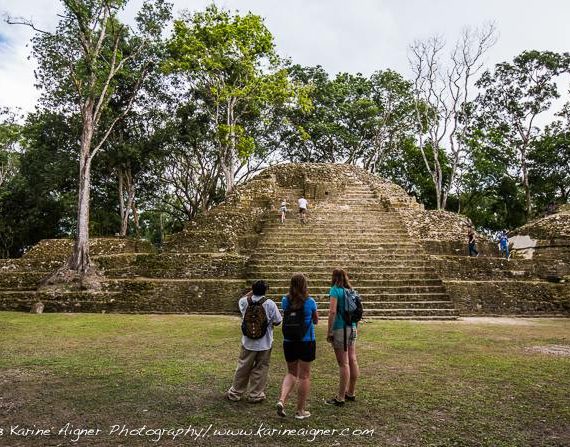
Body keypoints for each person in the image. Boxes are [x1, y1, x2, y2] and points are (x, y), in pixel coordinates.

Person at [226, 280, 282, 403]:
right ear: (265, 291)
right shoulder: (270, 304)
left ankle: (235, 392)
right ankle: (255, 394)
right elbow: (278, 321)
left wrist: (252, 291)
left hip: (248, 342)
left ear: (252, 290)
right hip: (265, 342)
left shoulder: (244, 302)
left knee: (243, 367)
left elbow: (243, 298)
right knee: (260, 368)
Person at [276, 273, 318, 420]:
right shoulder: (310, 302)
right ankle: (300, 411)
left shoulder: (284, 301)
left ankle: (282, 400)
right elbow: (316, 320)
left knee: (291, 373)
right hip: (306, 341)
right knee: (304, 376)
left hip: (289, 341)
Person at [325, 268, 359, 407]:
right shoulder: (351, 291)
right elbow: (357, 312)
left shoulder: (335, 290)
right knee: (352, 359)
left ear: (333, 277)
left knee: (343, 363)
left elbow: (332, 311)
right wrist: (355, 327)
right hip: (352, 327)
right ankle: (350, 392)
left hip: (340, 328)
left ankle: (340, 397)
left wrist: (329, 331)